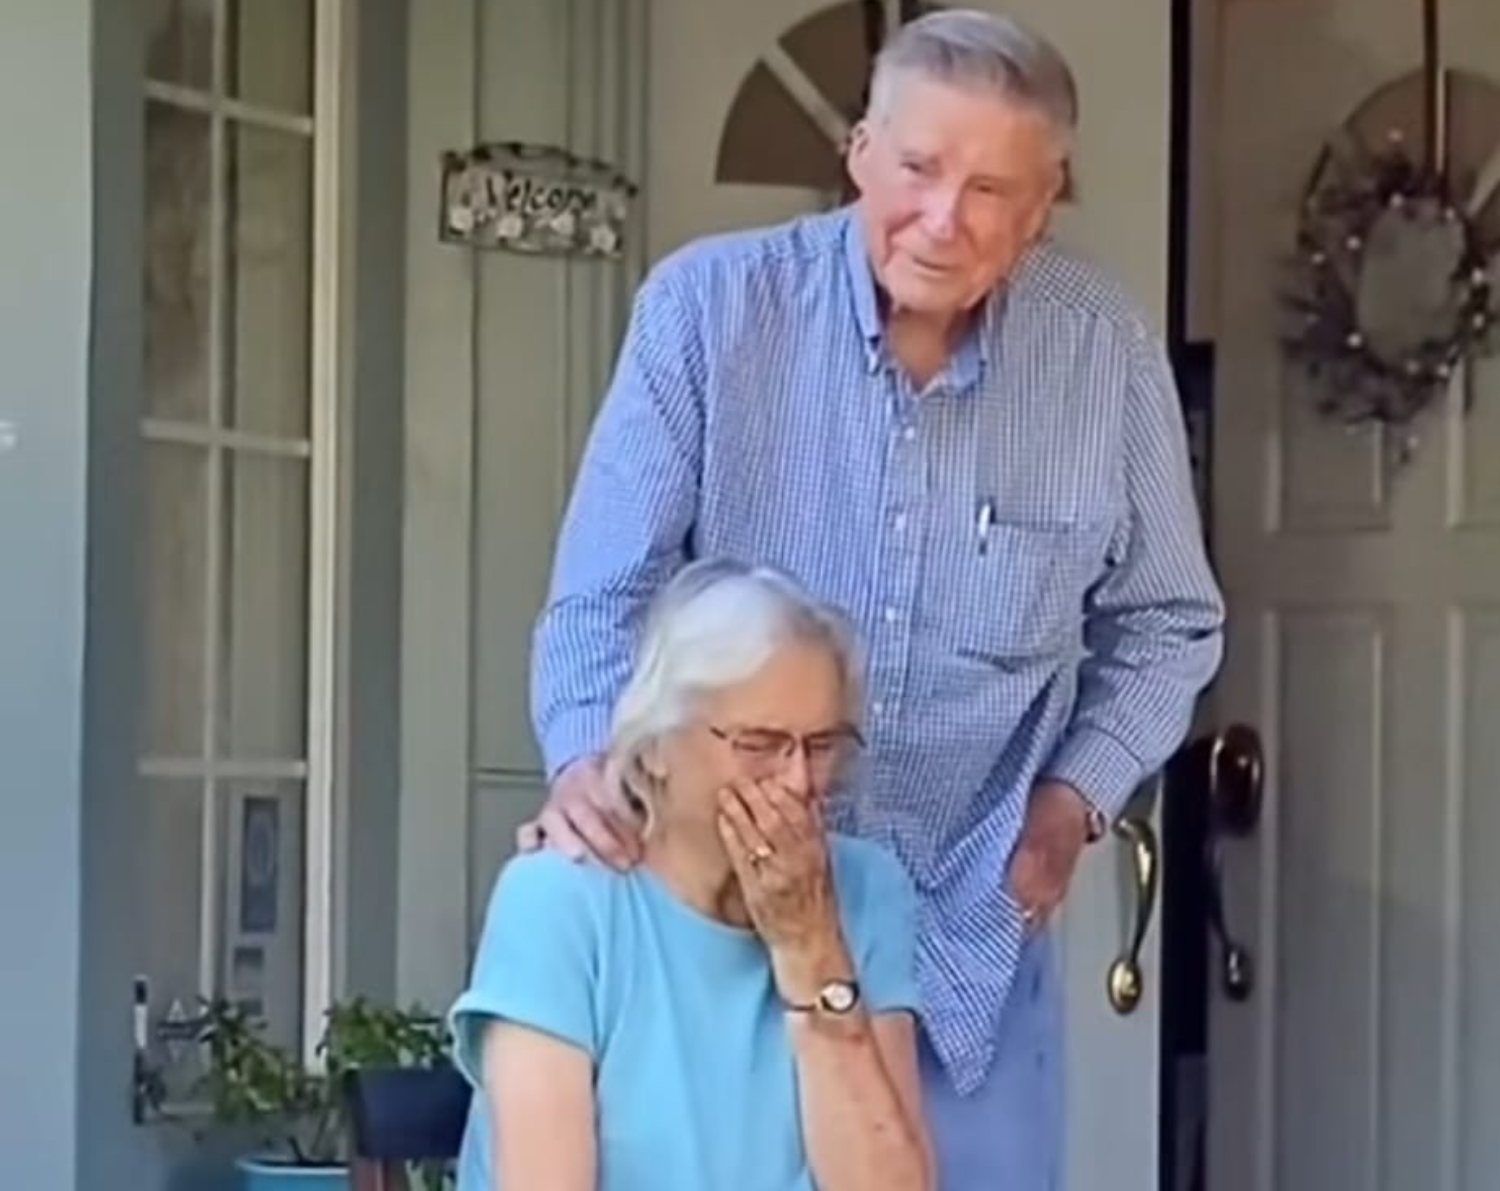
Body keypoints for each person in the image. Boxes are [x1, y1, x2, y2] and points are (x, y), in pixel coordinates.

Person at [519, 8, 1225, 1188]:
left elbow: (1170, 620)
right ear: (858, 151)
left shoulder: (1101, 349)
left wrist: (1074, 799)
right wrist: (593, 769)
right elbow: (604, 597)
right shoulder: (706, 313)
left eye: (994, 188)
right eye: (918, 169)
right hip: (713, 936)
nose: (945, 220)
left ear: (1046, 202)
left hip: (961, 943)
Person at [450, 560, 934, 1191]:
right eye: (760, 743)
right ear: (654, 748)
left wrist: (812, 950)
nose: (799, 782)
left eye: (820, 746)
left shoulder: (867, 892)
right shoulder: (560, 902)